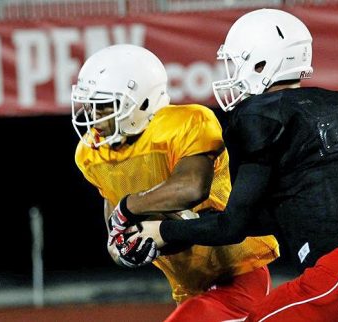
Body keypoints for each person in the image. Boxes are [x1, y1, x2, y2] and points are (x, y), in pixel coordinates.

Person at [111, 9, 338, 321]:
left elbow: (233, 227)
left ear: (261, 62)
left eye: (236, 63)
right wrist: (188, 227)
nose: (231, 74)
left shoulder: (257, 115)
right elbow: (278, 215)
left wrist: (163, 231)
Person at [71, 44, 279, 321]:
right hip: (187, 288)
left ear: (142, 101)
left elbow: (191, 187)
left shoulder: (185, 122)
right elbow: (115, 231)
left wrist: (129, 206)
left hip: (239, 272)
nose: (95, 116)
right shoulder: (91, 154)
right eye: (90, 105)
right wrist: (124, 250)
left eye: (106, 105)